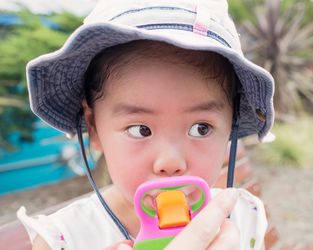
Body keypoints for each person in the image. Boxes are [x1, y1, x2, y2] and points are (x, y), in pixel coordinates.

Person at [17, 0, 275, 249]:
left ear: (231, 126)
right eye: (140, 129)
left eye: (201, 128)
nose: (170, 163)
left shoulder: (243, 216)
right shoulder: (66, 239)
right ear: (94, 127)